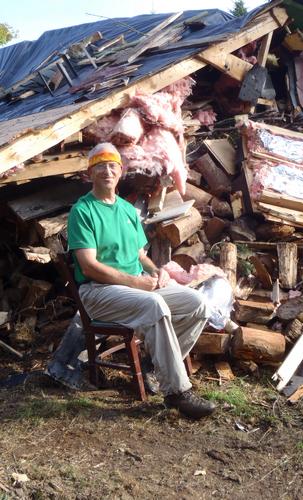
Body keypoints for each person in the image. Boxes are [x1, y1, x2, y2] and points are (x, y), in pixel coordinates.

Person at [67, 143, 215, 419]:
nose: (107, 170)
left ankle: (155, 366)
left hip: (133, 287)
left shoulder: (126, 210)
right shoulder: (83, 211)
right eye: (100, 165)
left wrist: (157, 271)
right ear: (90, 173)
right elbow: (88, 267)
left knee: (197, 303)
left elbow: (139, 255)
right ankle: (177, 393)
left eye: (112, 165)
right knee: (154, 305)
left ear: (121, 171)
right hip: (99, 293)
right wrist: (137, 283)